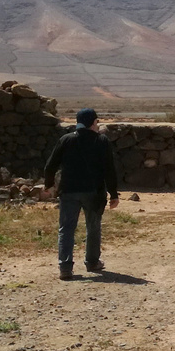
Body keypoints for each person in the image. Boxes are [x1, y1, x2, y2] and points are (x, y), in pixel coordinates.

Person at [42, 108, 120, 280]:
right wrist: (114, 194)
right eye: (96, 122)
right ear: (92, 122)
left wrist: (49, 185)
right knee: (93, 227)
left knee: (66, 228)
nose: (98, 125)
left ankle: (65, 267)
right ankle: (92, 262)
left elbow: (50, 165)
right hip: (94, 192)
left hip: (69, 191)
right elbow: (109, 170)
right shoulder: (102, 141)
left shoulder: (66, 140)